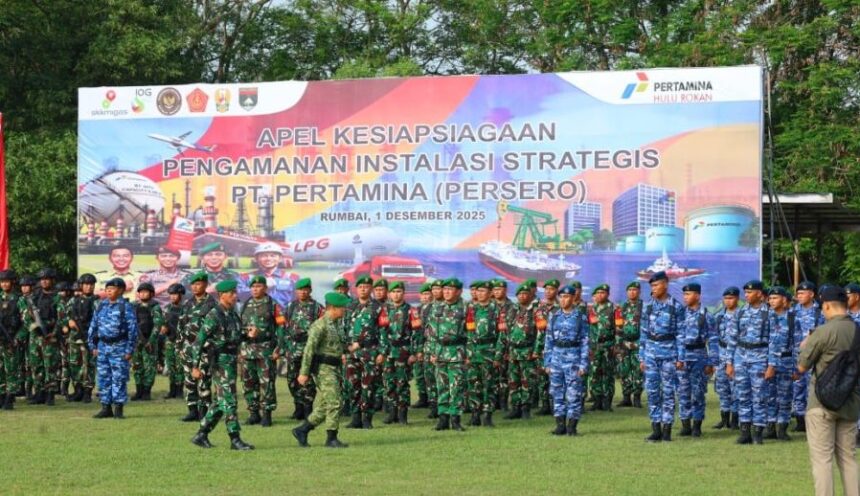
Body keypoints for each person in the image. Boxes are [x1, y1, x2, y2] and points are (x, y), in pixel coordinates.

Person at [797, 284, 860, 496]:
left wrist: (806, 343)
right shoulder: (857, 331)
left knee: (822, 460)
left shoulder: (822, 332)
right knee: (848, 458)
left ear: (826, 306)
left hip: (821, 403)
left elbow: (801, 366)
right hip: (850, 402)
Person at [190, 280, 255, 451]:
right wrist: (195, 367)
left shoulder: (232, 314)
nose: (235, 296)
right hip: (220, 362)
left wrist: (247, 335)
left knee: (220, 402)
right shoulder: (214, 315)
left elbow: (235, 337)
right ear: (222, 295)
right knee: (230, 400)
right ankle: (235, 439)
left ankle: (201, 434)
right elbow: (198, 341)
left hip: (231, 361)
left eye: (235, 292)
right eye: (231, 293)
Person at [291, 292, 351, 448]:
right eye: (342, 307)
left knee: (328, 402)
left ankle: (302, 430)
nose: (344, 310)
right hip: (324, 369)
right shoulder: (320, 325)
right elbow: (309, 350)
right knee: (335, 402)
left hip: (335, 367)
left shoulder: (336, 324)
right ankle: (331, 438)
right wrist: (304, 372)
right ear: (332, 308)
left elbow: (336, 345)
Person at [639, 271, 685, 442]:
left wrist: (680, 358)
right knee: (652, 391)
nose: (654, 288)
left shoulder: (676, 307)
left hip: (669, 354)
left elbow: (681, 334)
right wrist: (642, 357)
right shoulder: (648, 306)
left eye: (656, 285)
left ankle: (667, 430)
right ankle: (656, 429)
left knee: (668, 392)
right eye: (652, 286)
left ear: (665, 284)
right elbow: (643, 333)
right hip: (651, 354)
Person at [727, 279, 772, 445]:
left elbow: (774, 341)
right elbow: (732, 339)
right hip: (741, 357)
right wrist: (729, 363)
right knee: (742, 395)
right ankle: (744, 432)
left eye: (750, 292)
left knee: (759, 396)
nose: (746, 295)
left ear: (759, 294)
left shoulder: (769, 313)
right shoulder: (740, 313)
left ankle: (758, 432)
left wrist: (771, 365)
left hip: (760, 358)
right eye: (745, 292)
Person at [87, 278, 138, 419]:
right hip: (102, 347)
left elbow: (132, 330)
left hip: (119, 347)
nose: (109, 291)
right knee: (103, 378)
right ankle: (106, 408)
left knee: (119, 378)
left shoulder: (125, 307)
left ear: (121, 290)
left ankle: (118, 409)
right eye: (107, 289)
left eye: (112, 289)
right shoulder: (101, 305)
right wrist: (92, 345)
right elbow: (93, 326)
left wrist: (129, 350)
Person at [238, 275, 284, 427]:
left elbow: (281, 327)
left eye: (258, 286)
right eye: (253, 287)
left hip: (266, 350)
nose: (255, 289)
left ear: (265, 288)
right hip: (248, 350)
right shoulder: (245, 304)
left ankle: (267, 414)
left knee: (267, 383)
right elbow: (239, 327)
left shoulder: (273, 305)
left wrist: (278, 348)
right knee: (248, 383)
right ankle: (254, 413)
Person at [544, 285, 590, 436]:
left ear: (573, 298)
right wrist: (547, 362)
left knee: (574, 393)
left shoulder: (580, 317)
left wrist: (583, 364)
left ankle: (572, 426)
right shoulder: (554, 316)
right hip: (556, 357)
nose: (563, 300)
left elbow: (585, 341)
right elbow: (548, 340)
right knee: (556, 392)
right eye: (561, 297)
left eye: (567, 297)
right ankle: (560, 425)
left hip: (573, 357)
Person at [676, 283, 717, 437]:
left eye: (688, 294)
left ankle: (697, 425)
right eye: (684, 294)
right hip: (682, 357)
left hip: (699, 357)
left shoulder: (706, 315)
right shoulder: (680, 314)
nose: (685, 297)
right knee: (682, 392)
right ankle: (685, 425)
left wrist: (711, 362)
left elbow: (713, 340)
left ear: (697, 296)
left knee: (698, 392)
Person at [282, 277, 324, 421]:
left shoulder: (317, 308)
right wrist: (284, 346)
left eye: (305, 290)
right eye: (300, 290)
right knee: (292, 379)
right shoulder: (290, 306)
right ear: (296, 291)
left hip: (309, 349)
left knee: (307, 380)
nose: (303, 292)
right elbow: (284, 327)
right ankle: (298, 408)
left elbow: (322, 329)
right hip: (292, 349)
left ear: (310, 291)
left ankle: (307, 408)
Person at [178, 272, 217, 422]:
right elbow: (181, 326)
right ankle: (192, 410)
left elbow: (216, 328)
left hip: (204, 349)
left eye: (198, 284)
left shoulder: (212, 304)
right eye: (193, 284)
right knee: (189, 381)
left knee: (203, 380)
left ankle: (204, 411)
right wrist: (179, 346)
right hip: (188, 349)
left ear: (205, 285)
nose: (195, 287)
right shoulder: (188, 304)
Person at [345, 275, 384, 429]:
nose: (363, 289)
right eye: (360, 287)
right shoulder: (350, 306)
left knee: (368, 386)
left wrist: (382, 352)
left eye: (366, 287)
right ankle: (355, 418)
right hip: (352, 353)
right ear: (356, 289)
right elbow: (344, 328)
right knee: (353, 385)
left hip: (370, 351)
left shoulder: (378, 307)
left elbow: (384, 331)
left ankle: (367, 418)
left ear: (371, 289)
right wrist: (343, 350)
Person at [430, 278, 468, 431]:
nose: (446, 292)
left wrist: (469, 354)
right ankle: (443, 419)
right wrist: (432, 352)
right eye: (444, 289)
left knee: (456, 387)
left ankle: (455, 419)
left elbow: (472, 332)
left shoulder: (466, 308)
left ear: (458, 291)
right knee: (442, 387)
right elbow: (431, 332)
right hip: (440, 352)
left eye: (450, 289)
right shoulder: (437, 308)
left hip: (457, 352)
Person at [501, 283, 542, 420]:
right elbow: (505, 332)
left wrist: (537, 350)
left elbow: (541, 332)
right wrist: (505, 350)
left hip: (528, 350)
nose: (522, 296)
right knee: (513, 381)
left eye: (525, 294)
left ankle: (525, 408)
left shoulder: (537, 310)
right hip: (513, 351)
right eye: (520, 294)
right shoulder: (512, 310)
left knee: (527, 381)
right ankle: (515, 408)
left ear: (530, 295)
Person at [466, 281, 501, 427]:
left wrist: (498, 356)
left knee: (489, 385)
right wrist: (468, 354)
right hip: (474, 352)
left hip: (489, 351)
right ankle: (475, 414)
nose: (479, 294)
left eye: (483, 291)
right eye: (478, 291)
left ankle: (487, 415)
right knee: (474, 384)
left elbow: (502, 335)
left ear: (490, 293)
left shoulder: (497, 310)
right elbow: (468, 332)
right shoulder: (471, 310)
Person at [380, 281, 416, 424]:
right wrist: (382, 352)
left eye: (399, 291)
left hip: (403, 352)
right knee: (389, 383)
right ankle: (392, 412)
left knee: (402, 383)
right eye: (393, 292)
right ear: (389, 294)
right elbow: (382, 332)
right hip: (389, 351)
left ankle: (402, 414)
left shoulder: (411, 310)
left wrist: (414, 353)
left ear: (403, 293)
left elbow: (417, 333)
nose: (396, 295)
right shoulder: (385, 311)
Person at [792, 281, 825, 433]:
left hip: (815, 356)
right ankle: (800, 420)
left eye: (802, 293)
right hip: (797, 355)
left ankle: (814, 420)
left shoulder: (821, 311)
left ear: (811, 294)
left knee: (812, 388)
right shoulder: (792, 311)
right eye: (798, 294)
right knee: (797, 387)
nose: (799, 296)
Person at [765, 286, 797, 441]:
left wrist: (797, 367)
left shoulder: (792, 318)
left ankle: (782, 428)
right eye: (770, 298)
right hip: (767, 362)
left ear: (784, 300)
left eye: (775, 298)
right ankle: (770, 427)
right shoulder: (765, 317)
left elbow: (797, 344)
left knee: (785, 396)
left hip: (786, 362)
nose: (772, 301)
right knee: (769, 396)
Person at [64, 274, 98, 403]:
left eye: (91, 284)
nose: (88, 287)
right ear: (81, 286)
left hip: (90, 337)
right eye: (86, 284)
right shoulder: (73, 301)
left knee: (89, 364)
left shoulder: (97, 302)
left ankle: (87, 391)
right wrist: (69, 321)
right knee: (74, 363)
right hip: (74, 337)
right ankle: (78, 390)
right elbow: (63, 315)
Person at [713, 286, 741, 429]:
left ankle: (735, 419)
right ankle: (724, 418)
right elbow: (714, 337)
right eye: (725, 298)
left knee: (736, 388)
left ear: (737, 299)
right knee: (722, 387)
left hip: (737, 355)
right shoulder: (719, 316)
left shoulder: (742, 315)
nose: (728, 301)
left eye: (731, 298)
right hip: (721, 353)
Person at [239, 242, 299, 308]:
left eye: (273, 256)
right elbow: (239, 296)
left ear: (280, 258)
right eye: (264, 256)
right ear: (256, 258)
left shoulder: (292, 278)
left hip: (283, 314)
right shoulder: (245, 278)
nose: (268, 259)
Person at [130, 283, 163, 401]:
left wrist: (151, 341)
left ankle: (146, 391)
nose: (143, 294)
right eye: (141, 292)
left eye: (146, 292)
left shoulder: (155, 307)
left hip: (149, 341)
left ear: (151, 294)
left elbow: (157, 325)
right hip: (136, 341)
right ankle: (139, 391)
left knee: (149, 367)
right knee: (137, 366)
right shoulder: (133, 306)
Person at [587, 284, 617, 411]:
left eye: (603, 293)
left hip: (608, 346)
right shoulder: (591, 309)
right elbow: (588, 327)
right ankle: (597, 400)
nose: (600, 295)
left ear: (608, 294)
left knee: (607, 374)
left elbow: (619, 329)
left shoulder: (614, 309)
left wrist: (617, 345)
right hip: (594, 346)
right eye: (598, 293)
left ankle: (607, 401)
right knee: (594, 373)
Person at [616, 281, 644, 408]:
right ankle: (626, 397)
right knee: (624, 370)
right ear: (627, 292)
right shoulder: (621, 307)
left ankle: (637, 397)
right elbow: (618, 326)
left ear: (639, 292)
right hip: (624, 343)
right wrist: (618, 344)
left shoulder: (644, 307)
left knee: (638, 370)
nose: (632, 292)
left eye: (635, 290)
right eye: (630, 290)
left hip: (638, 342)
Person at [0, 270, 22, 410]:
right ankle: (1, 395)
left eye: (6, 281)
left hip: (11, 339)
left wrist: (18, 338)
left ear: (13, 282)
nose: (4, 284)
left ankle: (9, 397)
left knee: (11, 370)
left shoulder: (19, 300)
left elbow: (26, 323)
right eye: (2, 282)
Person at [161, 283, 185, 399]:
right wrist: (163, 328)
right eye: (171, 294)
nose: (172, 297)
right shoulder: (167, 308)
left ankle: (179, 391)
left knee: (180, 367)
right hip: (170, 341)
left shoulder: (185, 309)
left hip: (181, 342)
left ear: (181, 295)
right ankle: (172, 391)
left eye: (175, 294)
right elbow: (163, 323)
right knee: (171, 366)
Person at [410, 283, 432, 410]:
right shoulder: (416, 310)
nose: (425, 297)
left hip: (430, 345)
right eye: (423, 294)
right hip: (418, 345)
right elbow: (416, 330)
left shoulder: (434, 309)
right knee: (418, 373)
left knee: (430, 374)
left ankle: (432, 399)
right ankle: (422, 397)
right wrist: (417, 349)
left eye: (427, 294)